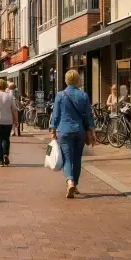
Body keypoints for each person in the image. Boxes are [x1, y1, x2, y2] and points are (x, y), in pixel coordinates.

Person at [51, 70, 96, 198]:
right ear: (78, 80)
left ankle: (70, 181)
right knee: (77, 158)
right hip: (80, 131)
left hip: (64, 130)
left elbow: (56, 115)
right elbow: (88, 115)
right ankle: (75, 184)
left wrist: (53, 130)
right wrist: (91, 131)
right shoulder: (84, 95)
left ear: (66, 80)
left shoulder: (60, 95)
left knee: (67, 158)